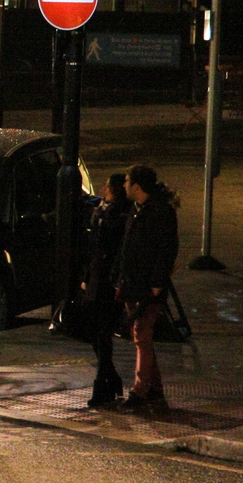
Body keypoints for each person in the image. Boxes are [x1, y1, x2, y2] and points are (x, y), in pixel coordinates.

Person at [113, 164, 180, 413]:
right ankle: (155, 387)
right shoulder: (137, 209)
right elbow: (127, 247)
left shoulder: (160, 212)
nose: (124, 185)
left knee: (141, 334)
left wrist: (156, 283)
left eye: (127, 181)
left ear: (137, 187)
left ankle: (140, 389)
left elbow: (167, 249)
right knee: (142, 337)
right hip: (133, 284)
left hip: (148, 287)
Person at [81, 173, 132, 408]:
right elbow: (93, 247)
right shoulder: (103, 210)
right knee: (93, 330)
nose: (104, 190)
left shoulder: (122, 215)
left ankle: (103, 386)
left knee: (102, 332)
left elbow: (115, 248)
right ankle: (111, 378)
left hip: (109, 281)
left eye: (109, 187)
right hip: (96, 277)